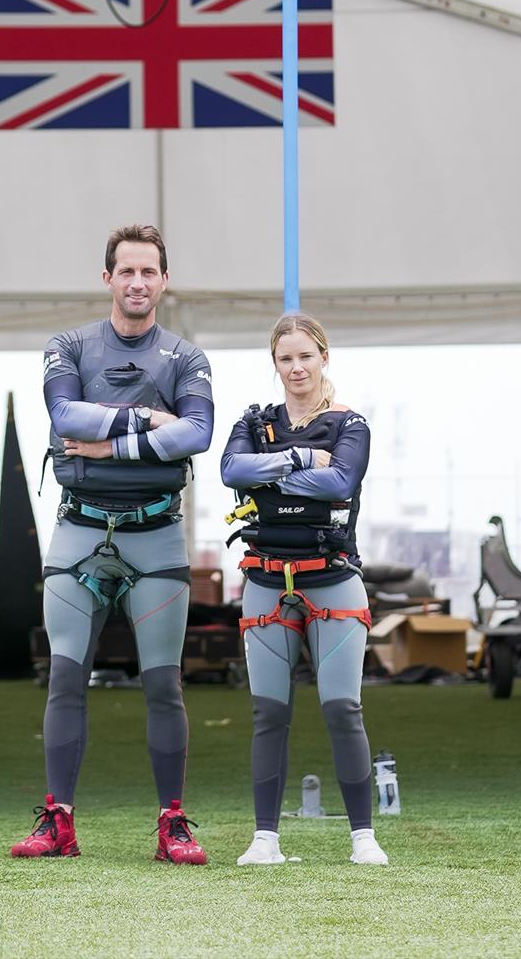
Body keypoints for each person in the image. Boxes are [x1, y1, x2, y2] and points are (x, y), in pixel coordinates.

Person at [11, 224, 213, 864]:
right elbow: (62, 416)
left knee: (163, 686)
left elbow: (199, 433)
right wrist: (146, 419)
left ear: (163, 279)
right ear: (108, 278)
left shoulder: (186, 358)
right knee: (64, 680)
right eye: (126, 271)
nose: (137, 282)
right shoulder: (68, 345)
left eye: (148, 272)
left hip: (155, 537)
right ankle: (58, 822)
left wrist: (110, 445)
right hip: (78, 532)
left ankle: (172, 824)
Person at [220, 313, 388, 867]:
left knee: (343, 708)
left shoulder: (351, 424)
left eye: (305, 356)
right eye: (285, 358)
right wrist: (297, 459)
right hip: (266, 579)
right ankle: (265, 839)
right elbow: (230, 472)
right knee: (269, 713)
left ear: (324, 358)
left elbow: (341, 482)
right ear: (275, 364)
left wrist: (267, 478)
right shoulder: (255, 419)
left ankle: (363, 837)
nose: (296, 368)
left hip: (334, 579)